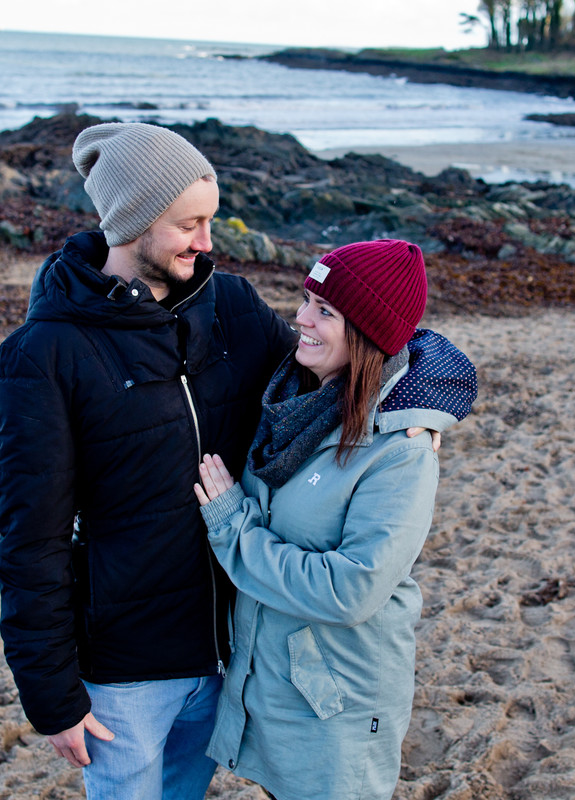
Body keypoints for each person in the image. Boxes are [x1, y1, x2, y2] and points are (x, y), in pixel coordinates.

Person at [0, 123, 454, 800]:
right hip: (127, 668)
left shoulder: (230, 307)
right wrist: (50, 693)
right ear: (134, 220)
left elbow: (352, 355)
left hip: (227, 652)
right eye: (190, 224)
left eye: (210, 220)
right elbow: (29, 539)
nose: (208, 241)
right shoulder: (46, 353)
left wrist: (419, 408)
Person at [194, 239, 477, 800]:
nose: (300, 319)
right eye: (305, 299)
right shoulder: (293, 400)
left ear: (367, 334)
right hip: (274, 690)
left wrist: (233, 527)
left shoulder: (400, 451)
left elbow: (349, 590)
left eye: (325, 311)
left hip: (337, 706)